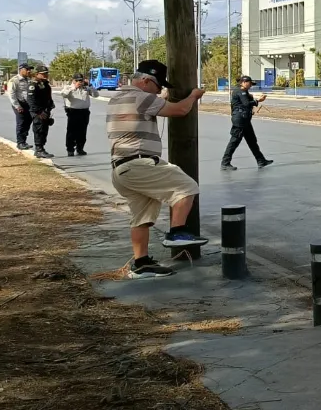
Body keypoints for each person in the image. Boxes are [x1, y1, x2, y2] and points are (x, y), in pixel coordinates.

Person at [106, 59, 208, 279]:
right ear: (145, 80)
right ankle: (177, 233)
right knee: (186, 187)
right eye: (158, 85)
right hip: (139, 163)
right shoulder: (141, 97)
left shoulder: (118, 98)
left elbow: (151, 105)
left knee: (141, 218)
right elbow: (180, 110)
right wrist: (193, 96)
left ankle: (141, 263)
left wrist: (160, 97)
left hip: (121, 169)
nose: (160, 89)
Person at [220, 75, 273, 171]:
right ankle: (225, 162)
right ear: (243, 83)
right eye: (249, 84)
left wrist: (252, 98)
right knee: (234, 141)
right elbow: (246, 103)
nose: (251, 86)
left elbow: (246, 102)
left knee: (252, 141)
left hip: (245, 120)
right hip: (240, 121)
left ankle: (261, 160)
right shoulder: (240, 91)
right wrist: (257, 101)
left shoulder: (242, 91)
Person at [60, 72, 99, 157]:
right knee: (71, 131)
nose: (80, 82)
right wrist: (74, 87)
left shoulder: (86, 88)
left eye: (81, 80)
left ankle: (80, 148)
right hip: (73, 112)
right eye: (77, 80)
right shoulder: (68, 87)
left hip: (84, 112)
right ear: (73, 80)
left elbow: (96, 95)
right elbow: (63, 94)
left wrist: (90, 86)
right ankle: (70, 149)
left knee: (82, 131)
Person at [26, 65, 55, 159]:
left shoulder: (46, 84)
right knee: (39, 129)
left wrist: (50, 105)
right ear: (37, 74)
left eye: (46, 73)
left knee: (44, 130)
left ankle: (42, 148)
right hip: (38, 112)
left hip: (46, 110)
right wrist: (39, 112)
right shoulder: (33, 85)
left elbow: (48, 97)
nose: (46, 75)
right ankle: (39, 149)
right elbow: (31, 101)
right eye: (43, 74)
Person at [6, 63, 33, 150]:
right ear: (21, 70)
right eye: (27, 69)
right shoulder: (14, 80)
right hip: (19, 104)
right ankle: (20, 142)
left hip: (28, 104)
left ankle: (24, 141)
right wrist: (17, 106)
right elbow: (11, 94)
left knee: (28, 121)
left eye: (30, 69)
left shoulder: (29, 80)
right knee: (21, 122)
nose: (29, 71)